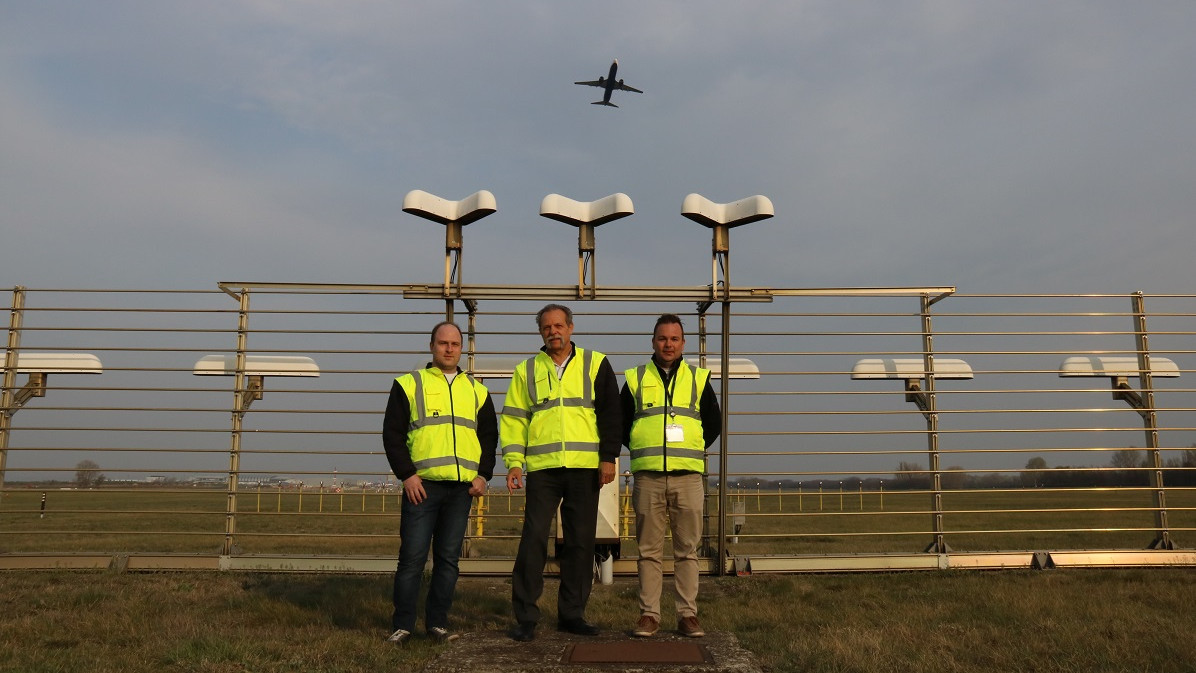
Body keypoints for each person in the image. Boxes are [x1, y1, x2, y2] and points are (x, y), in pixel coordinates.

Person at [502, 304, 621, 642]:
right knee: (533, 540)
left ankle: (572, 614)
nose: (553, 331)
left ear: (571, 327)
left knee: (580, 543)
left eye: (558, 325)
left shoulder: (595, 363)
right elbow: (513, 419)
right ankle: (526, 616)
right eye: (546, 327)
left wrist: (608, 457)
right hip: (542, 469)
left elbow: (612, 413)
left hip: (585, 469)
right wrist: (513, 461)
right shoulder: (526, 370)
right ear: (540, 332)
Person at [383, 321, 497, 646]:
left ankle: (437, 623)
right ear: (431, 346)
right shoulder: (408, 384)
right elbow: (392, 434)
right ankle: (403, 625)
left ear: (462, 348)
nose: (449, 349)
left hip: (461, 490)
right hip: (422, 488)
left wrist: (483, 474)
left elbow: (489, 436)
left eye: (455, 344)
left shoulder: (477, 390)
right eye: (443, 343)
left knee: (448, 560)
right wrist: (407, 474)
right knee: (412, 559)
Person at [621, 314, 721, 638]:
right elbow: (622, 424)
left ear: (683, 343)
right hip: (649, 478)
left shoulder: (699, 379)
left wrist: (690, 448)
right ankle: (649, 616)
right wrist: (643, 446)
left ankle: (687, 615)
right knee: (648, 551)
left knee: (686, 550)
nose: (668, 344)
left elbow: (713, 424)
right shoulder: (635, 378)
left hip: (688, 478)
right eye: (662, 338)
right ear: (653, 342)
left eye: (674, 339)